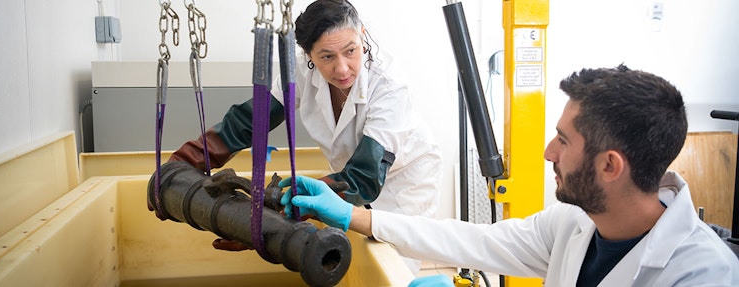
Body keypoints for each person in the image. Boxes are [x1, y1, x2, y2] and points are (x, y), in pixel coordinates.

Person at [280, 64, 739, 286]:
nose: (547, 152)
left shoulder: (703, 276)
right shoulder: (576, 227)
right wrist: (351, 215)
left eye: (563, 140)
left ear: (610, 166)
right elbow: (474, 241)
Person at [168, 0, 441, 275]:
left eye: (351, 51)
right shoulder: (299, 70)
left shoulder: (389, 85)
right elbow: (251, 120)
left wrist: (268, 219)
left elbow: (365, 177)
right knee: (354, 261)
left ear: (363, 34)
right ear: (308, 54)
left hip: (405, 180)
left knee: (391, 264)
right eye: (326, 57)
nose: (343, 69)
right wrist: (186, 159)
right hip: (348, 175)